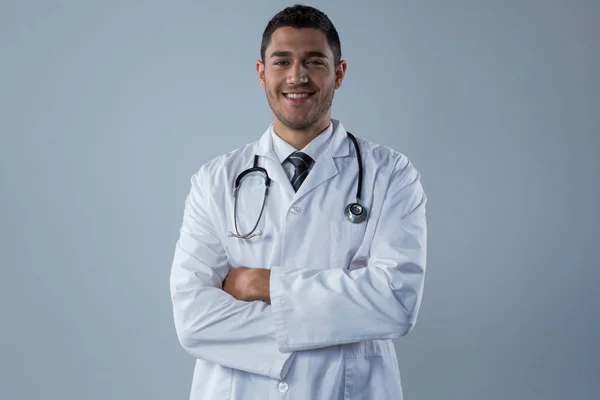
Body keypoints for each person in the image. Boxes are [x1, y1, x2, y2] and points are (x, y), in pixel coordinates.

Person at [169, 4, 427, 399]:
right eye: (282, 61)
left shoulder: (390, 174)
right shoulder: (214, 181)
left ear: (338, 73)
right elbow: (194, 319)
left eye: (314, 61)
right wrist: (339, 318)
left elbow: (394, 302)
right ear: (261, 73)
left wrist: (261, 282)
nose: (297, 76)